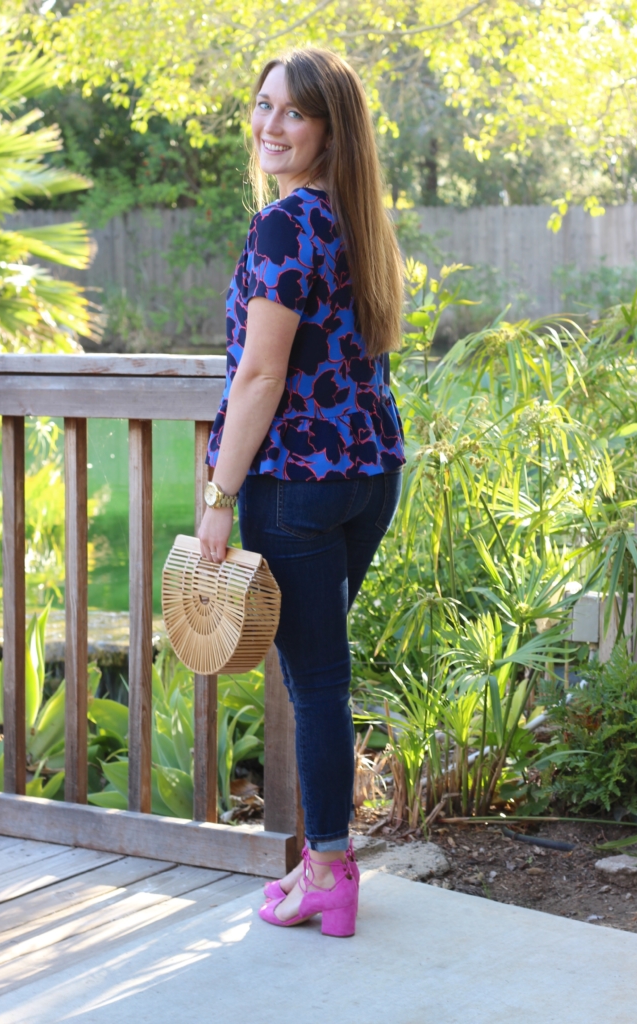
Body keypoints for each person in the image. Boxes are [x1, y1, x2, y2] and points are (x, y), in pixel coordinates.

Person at [198, 47, 405, 937]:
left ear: (327, 129)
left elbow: (261, 376)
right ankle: (327, 865)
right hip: (370, 473)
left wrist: (217, 495)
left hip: (297, 483)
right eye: (263, 106)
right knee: (323, 672)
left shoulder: (284, 226)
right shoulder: (357, 220)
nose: (269, 126)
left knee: (315, 681)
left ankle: (327, 871)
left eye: (292, 113)